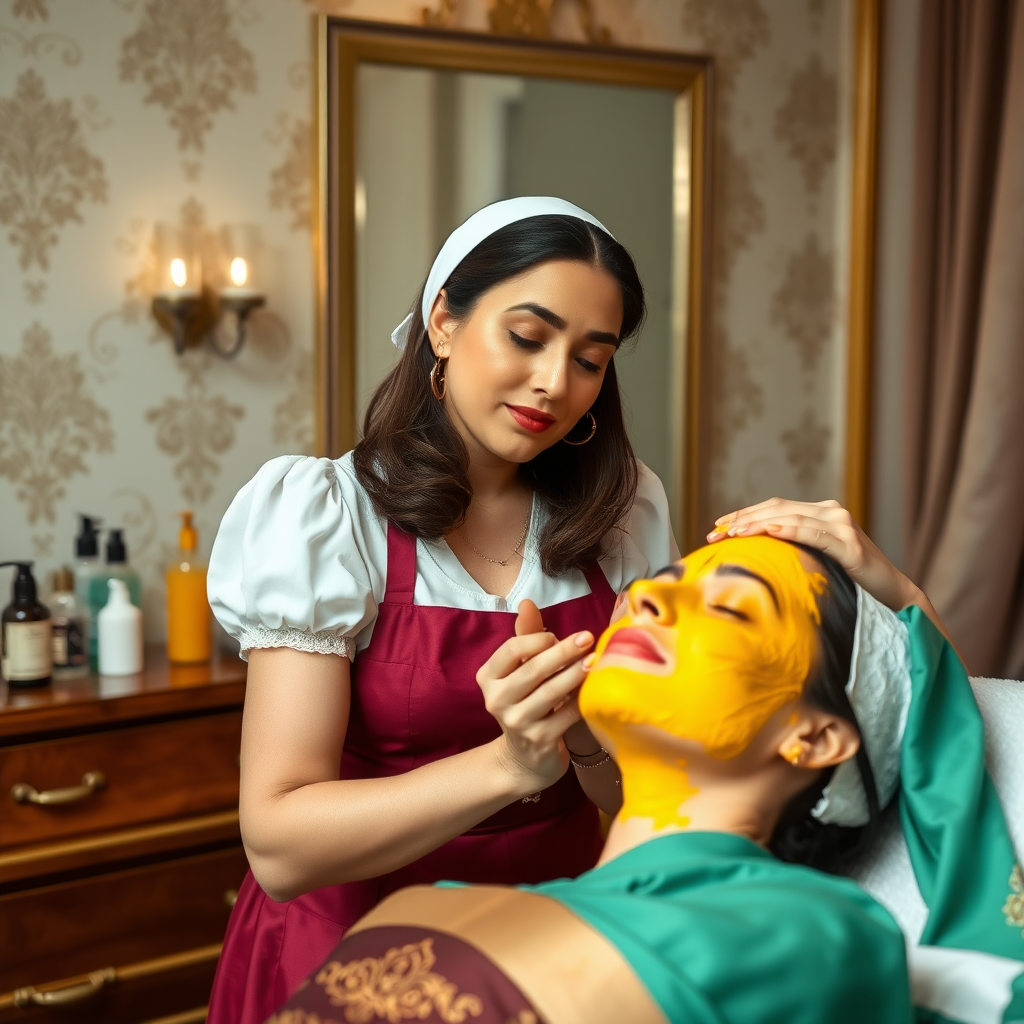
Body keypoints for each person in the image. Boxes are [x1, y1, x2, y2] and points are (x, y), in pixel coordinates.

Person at [205, 198, 679, 1023]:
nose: (554, 383)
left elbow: (650, 799)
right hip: (355, 960)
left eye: (590, 360)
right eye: (527, 337)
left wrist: (581, 739)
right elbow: (279, 845)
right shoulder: (326, 515)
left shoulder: (626, 514)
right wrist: (510, 766)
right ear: (444, 323)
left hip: (558, 954)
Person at [265, 531, 1023, 1024]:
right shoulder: (436, 910)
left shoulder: (813, 935)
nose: (653, 596)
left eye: (730, 608)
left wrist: (900, 598)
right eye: (664, 582)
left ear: (815, 736)